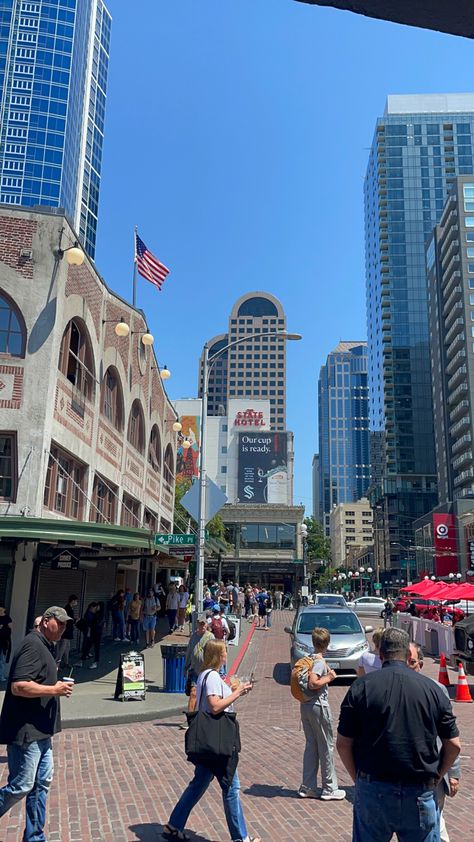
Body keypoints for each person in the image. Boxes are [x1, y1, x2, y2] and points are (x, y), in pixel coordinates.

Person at [336, 627, 461, 842]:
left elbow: (343, 744)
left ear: (380, 654)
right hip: (420, 789)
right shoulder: (432, 690)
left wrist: (358, 778)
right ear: (407, 654)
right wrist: (439, 775)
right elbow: (454, 745)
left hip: (374, 787)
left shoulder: (361, 687)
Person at [163, 640, 260, 842]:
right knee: (231, 787)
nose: (226, 656)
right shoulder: (213, 676)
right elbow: (215, 706)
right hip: (218, 740)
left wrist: (235, 689)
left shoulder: (205, 675)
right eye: (224, 652)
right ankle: (240, 837)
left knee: (199, 783)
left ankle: (174, 825)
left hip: (207, 741)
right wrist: (238, 692)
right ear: (218, 656)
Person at [0, 606, 74, 841]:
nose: (62, 628)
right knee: (22, 785)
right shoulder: (32, 645)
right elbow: (18, 686)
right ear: (45, 621)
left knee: (41, 784)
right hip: (26, 731)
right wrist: (54, 689)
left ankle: (35, 837)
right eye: (59, 623)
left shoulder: (47, 646)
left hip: (42, 731)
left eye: (65, 625)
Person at [407, 643, 461, 842]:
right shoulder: (396, 689)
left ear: (420, 664)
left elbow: (450, 737)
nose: (408, 666)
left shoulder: (437, 690)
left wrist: (453, 773)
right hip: (407, 772)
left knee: (435, 821)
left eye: (412, 662)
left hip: (434, 771)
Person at [299, 627, 346, 801]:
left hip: (306, 705)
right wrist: (329, 678)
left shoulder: (308, 658)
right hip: (318, 705)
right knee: (326, 746)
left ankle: (308, 786)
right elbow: (313, 683)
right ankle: (329, 787)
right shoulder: (318, 661)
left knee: (311, 745)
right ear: (327, 644)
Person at [183, 616, 214, 712]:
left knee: (207, 696)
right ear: (197, 625)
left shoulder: (210, 637)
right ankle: (190, 718)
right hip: (195, 671)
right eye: (200, 624)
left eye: (203, 624)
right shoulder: (194, 637)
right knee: (193, 693)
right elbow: (189, 652)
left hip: (206, 671)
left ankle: (205, 717)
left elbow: (214, 654)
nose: (202, 626)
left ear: (206, 625)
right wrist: (186, 667)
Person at [55, 594, 78, 669]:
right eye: (76, 601)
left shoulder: (69, 608)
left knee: (67, 647)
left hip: (68, 630)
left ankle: (66, 662)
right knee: (63, 647)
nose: (76, 602)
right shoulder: (67, 609)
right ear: (72, 601)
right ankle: (57, 664)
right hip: (66, 631)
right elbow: (68, 620)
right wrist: (75, 620)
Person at [0, 605, 12, 683]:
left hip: (3, 642)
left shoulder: (7, 618)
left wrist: (3, 627)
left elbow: (10, 628)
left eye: (1, 608)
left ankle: (1, 676)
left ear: (4, 609)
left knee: (2, 660)